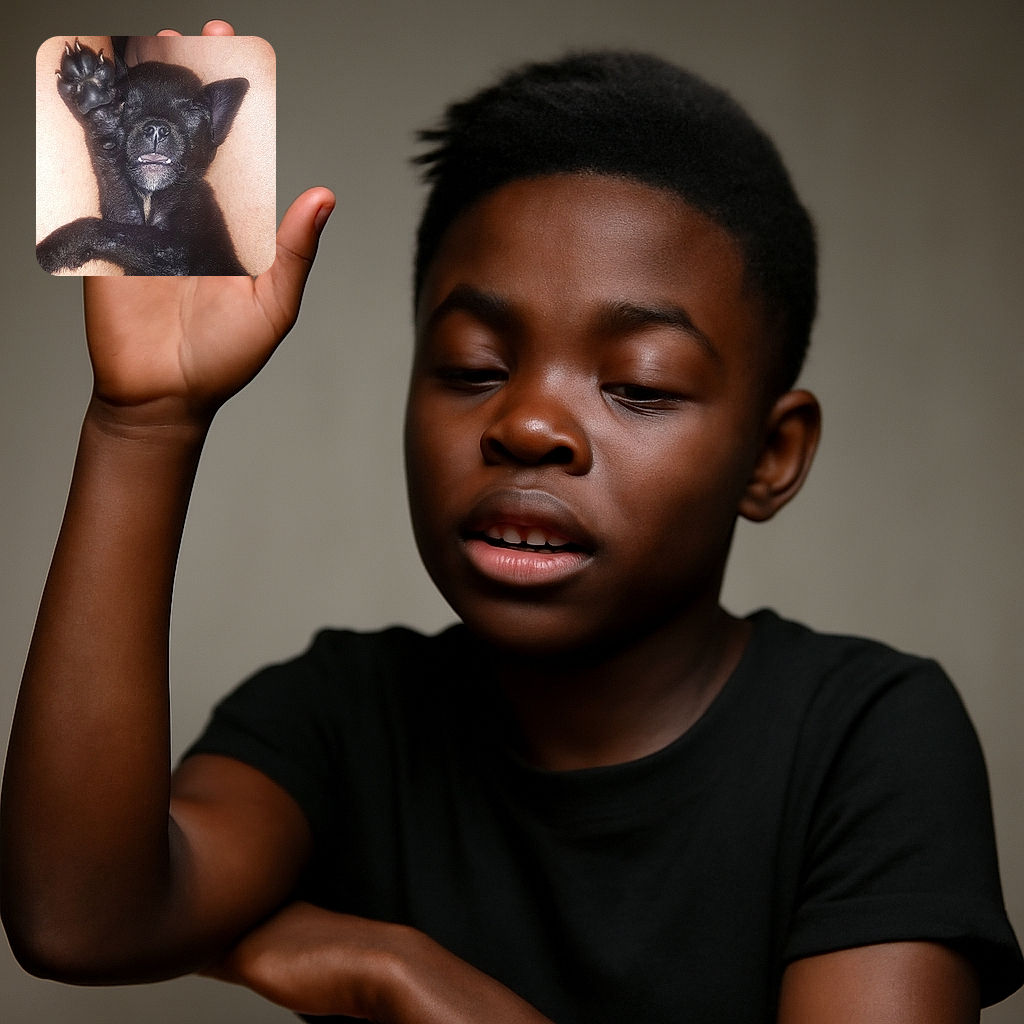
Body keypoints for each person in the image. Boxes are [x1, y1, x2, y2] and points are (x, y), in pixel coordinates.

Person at [2, 19, 1021, 1024]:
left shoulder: (868, 735)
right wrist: (145, 425)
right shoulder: (338, 717)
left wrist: (405, 977)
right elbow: (79, 920)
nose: (527, 423)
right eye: (474, 369)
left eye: (637, 384)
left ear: (771, 455)